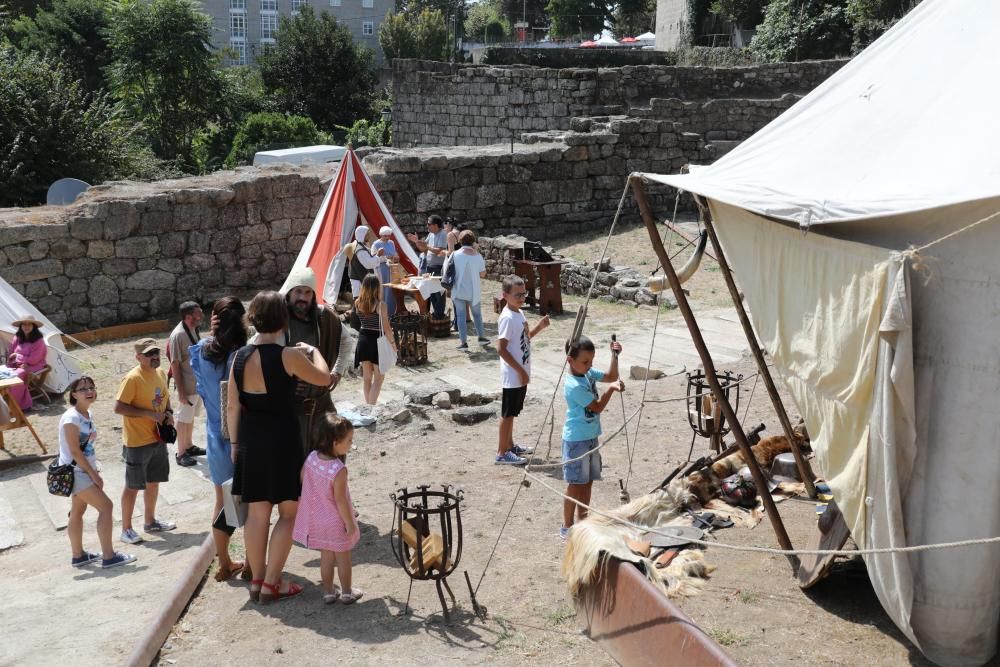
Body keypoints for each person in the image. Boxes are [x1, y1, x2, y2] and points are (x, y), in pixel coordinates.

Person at [227, 291, 332, 603]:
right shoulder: (289, 355)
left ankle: (257, 581)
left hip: (250, 438)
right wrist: (313, 351)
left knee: (257, 513)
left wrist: (235, 444)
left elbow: (232, 406)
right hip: (283, 437)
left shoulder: (240, 356)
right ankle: (274, 582)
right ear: (282, 318)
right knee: (289, 511)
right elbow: (324, 379)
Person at [189, 297, 250, 583]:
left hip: (215, 435)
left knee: (222, 503)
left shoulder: (202, 351)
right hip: (243, 436)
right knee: (251, 502)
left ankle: (224, 563)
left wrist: (213, 335)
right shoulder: (245, 354)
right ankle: (252, 563)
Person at [61, 376, 137, 569]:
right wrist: (94, 475)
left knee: (78, 511)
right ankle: (109, 556)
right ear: (73, 394)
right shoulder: (71, 418)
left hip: (82, 471)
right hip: (78, 473)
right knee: (106, 507)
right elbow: (75, 452)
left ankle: (78, 556)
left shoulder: (86, 413)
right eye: (83, 389)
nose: (89, 391)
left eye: (91, 388)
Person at [280, 266, 354, 458]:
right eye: (298, 291)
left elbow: (347, 341)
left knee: (329, 461)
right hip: (290, 412)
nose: (303, 298)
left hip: (321, 407)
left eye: (307, 292)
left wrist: (337, 371)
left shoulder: (325, 317)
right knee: (294, 468)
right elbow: (257, 352)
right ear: (289, 293)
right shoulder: (277, 320)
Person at [292, 412, 363, 604]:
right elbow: (340, 500)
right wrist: (350, 522)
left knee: (326, 557)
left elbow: (302, 477)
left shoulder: (312, 458)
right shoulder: (338, 469)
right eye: (348, 440)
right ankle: (347, 592)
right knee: (343, 558)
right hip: (335, 521)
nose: (351, 444)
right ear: (334, 442)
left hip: (317, 519)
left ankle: (329, 592)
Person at [560, 335, 624, 539]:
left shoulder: (586, 373)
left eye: (591, 361)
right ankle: (567, 527)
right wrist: (611, 389)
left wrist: (614, 355)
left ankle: (584, 521)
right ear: (570, 360)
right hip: (576, 440)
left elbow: (610, 374)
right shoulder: (574, 385)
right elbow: (596, 407)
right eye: (585, 362)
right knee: (575, 484)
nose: (589, 366)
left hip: (590, 437)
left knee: (587, 482)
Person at [115, 338, 176, 545]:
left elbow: (165, 397)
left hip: (157, 438)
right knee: (132, 486)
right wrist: (150, 414)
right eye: (149, 354)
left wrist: (168, 412)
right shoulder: (132, 378)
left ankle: (150, 522)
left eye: (156, 352)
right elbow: (119, 407)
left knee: (154, 481)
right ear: (138, 357)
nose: (155, 357)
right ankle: (126, 529)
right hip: (137, 441)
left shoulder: (159, 373)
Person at [495, 275, 549, 465]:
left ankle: (509, 445)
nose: (521, 297)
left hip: (520, 372)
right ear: (505, 295)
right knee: (507, 414)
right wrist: (520, 371)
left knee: (513, 412)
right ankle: (502, 453)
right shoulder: (507, 318)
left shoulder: (519, 313)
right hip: (513, 374)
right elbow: (501, 349)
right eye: (517, 294)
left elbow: (524, 340)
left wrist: (539, 327)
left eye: (523, 293)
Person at [168, 301, 206, 467]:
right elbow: (174, 364)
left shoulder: (192, 328)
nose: (201, 316)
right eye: (198, 314)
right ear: (188, 316)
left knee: (190, 418)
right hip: (187, 385)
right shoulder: (178, 335)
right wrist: (181, 392)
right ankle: (180, 452)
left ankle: (189, 446)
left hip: (195, 383)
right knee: (183, 419)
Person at [354, 274, 395, 405]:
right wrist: (393, 344)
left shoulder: (357, 302)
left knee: (367, 379)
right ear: (376, 288)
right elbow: (387, 328)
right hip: (376, 341)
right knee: (379, 378)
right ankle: (371, 408)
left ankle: (368, 408)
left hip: (363, 340)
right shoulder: (380, 305)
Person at [447, 230, 489, 350]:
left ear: (460, 241)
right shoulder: (478, 256)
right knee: (477, 315)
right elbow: (482, 274)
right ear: (473, 241)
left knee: (461, 316)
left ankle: (463, 343)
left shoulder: (454, 255)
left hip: (458, 289)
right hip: (473, 290)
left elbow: (448, 271)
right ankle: (481, 338)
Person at [405, 214, 448, 319]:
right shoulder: (431, 234)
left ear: (436, 225)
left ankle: (439, 315)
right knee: (427, 290)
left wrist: (426, 246)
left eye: (429, 224)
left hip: (437, 267)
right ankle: (428, 314)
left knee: (438, 292)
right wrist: (417, 241)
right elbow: (424, 249)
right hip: (428, 268)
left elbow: (439, 250)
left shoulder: (442, 234)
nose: (427, 226)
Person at [6, 315, 48, 410]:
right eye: (24, 324)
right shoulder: (17, 338)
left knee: (18, 375)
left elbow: (34, 359)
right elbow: (11, 353)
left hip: (34, 365)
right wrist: (11, 363)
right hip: (18, 365)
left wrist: (18, 356)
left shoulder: (39, 341)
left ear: (34, 326)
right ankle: (6, 401)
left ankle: (16, 405)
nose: (26, 326)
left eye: (29, 324)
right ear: (21, 326)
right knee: (5, 374)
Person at [348, 225, 385, 298]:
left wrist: (375, 255)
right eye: (367, 234)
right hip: (359, 279)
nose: (369, 236)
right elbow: (368, 264)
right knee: (360, 302)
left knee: (361, 302)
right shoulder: (360, 250)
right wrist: (378, 254)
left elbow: (368, 258)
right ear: (362, 235)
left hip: (361, 278)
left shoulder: (361, 246)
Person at [371, 226, 398, 315]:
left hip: (391, 268)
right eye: (385, 236)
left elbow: (394, 253)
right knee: (383, 289)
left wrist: (395, 257)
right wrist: (386, 258)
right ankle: (383, 312)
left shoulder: (391, 242)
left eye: (388, 236)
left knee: (391, 289)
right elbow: (373, 258)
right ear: (381, 235)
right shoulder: (375, 244)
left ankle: (392, 311)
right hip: (381, 269)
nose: (387, 238)